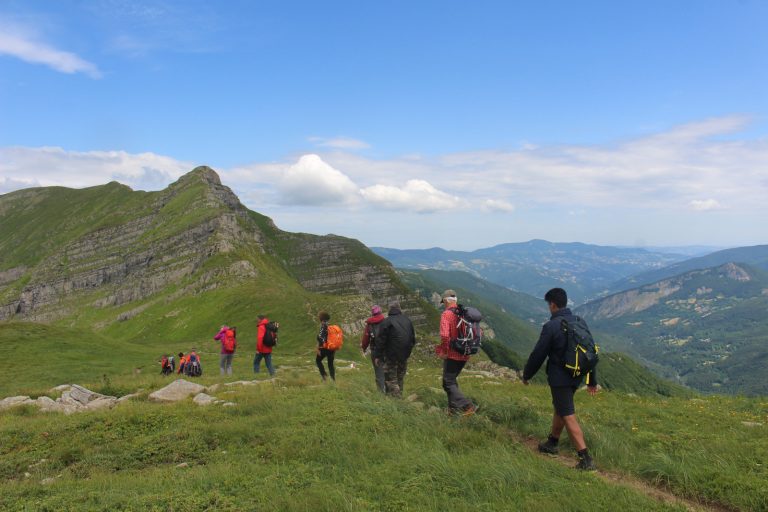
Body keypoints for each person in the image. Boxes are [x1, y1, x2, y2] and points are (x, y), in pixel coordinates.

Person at [522, 287, 598, 471]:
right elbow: (591, 351)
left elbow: (538, 354)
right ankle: (552, 442)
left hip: (560, 378)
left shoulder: (551, 326)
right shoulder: (579, 321)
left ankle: (585, 458)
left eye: (549, 304)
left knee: (567, 414)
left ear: (553, 305)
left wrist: (527, 375)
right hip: (577, 374)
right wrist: (591, 380)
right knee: (561, 408)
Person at [436, 290, 478, 415]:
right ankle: (453, 410)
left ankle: (467, 405)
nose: (443, 304)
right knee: (451, 381)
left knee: (448, 382)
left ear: (447, 300)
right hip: (465, 352)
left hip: (453, 353)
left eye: (443, 301)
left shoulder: (446, 314)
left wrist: (444, 351)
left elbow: (444, 335)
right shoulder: (463, 313)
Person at [374, 301, 416, 398]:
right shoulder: (407, 321)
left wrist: (377, 356)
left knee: (391, 379)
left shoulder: (386, 322)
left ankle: (395, 402)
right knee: (400, 377)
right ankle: (399, 397)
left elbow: (381, 341)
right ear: (399, 309)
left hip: (390, 356)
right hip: (404, 355)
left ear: (390, 310)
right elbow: (412, 339)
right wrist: (407, 353)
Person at [361, 304, 386, 392]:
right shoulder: (385, 321)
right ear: (380, 312)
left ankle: (381, 394)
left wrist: (363, 348)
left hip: (375, 351)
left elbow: (365, 339)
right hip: (386, 350)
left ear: (373, 314)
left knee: (379, 372)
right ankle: (390, 393)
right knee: (387, 370)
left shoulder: (370, 325)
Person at [315, 311, 335, 381]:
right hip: (331, 348)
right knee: (330, 364)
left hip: (324, 348)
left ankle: (324, 376)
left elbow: (320, 337)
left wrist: (317, 348)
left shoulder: (323, 325)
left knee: (318, 361)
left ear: (321, 319)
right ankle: (333, 380)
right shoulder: (331, 326)